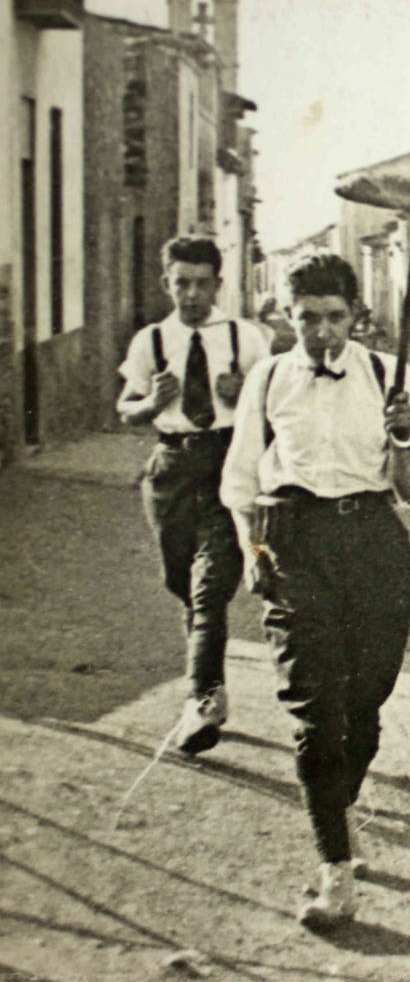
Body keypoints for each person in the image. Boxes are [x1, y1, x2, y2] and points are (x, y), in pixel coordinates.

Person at [220, 253, 410, 929]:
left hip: (373, 545)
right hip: (295, 546)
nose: (321, 331)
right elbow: (239, 481)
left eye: (334, 316)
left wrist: (404, 432)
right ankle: (335, 874)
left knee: (363, 707)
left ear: (355, 316)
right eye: (307, 317)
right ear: (287, 317)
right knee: (318, 714)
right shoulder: (266, 379)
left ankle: (342, 807)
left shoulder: (386, 374)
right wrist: (252, 551)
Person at [117, 236, 271, 756]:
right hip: (171, 470)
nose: (191, 294)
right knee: (182, 584)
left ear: (218, 285)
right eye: (181, 283)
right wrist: (151, 402)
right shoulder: (151, 341)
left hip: (227, 464)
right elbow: (125, 408)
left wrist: (243, 393)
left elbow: (273, 403)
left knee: (210, 591)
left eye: (202, 283)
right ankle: (208, 687)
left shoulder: (244, 338)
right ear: (167, 284)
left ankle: (202, 701)